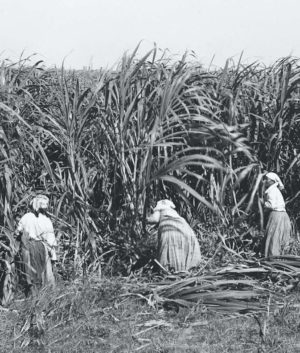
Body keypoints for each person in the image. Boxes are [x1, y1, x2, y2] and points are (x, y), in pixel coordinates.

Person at [16, 195, 57, 292]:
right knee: (44, 273)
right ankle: (43, 294)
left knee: (29, 271)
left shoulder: (26, 217)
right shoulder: (46, 220)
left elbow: (17, 232)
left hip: (26, 246)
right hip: (40, 246)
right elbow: (50, 240)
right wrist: (54, 256)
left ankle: (32, 293)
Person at [147, 199, 201, 272]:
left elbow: (155, 219)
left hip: (168, 226)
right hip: (183, 225)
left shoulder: (160, 209)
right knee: (181, 244)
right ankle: (185, 267)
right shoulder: (173, 212)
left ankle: (169, 268)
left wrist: (145, 218)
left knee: (169, 245)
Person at [262, 172, 291, 257]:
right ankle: (281, 256)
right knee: (279, 236)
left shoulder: (272, 191)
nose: (265, 181)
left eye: (267, 179)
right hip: (282, 215)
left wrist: (263, 203)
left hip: (276, 215)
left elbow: (272, 205)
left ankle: (273, 257)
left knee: (274, 236)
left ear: (272, 181)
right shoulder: (274, 190)